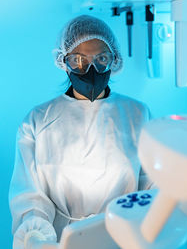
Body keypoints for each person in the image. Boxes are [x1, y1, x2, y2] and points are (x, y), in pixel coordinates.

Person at [9, 15, 153, 249]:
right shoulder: (37, 121)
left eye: (101, 58)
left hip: (124, 238)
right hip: (62, 240)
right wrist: (36, 235)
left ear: (113, 61)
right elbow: (30, 196)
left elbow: (151, 186)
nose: (90, 69)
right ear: (63, 61)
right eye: (78, 60)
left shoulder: (137, 114)